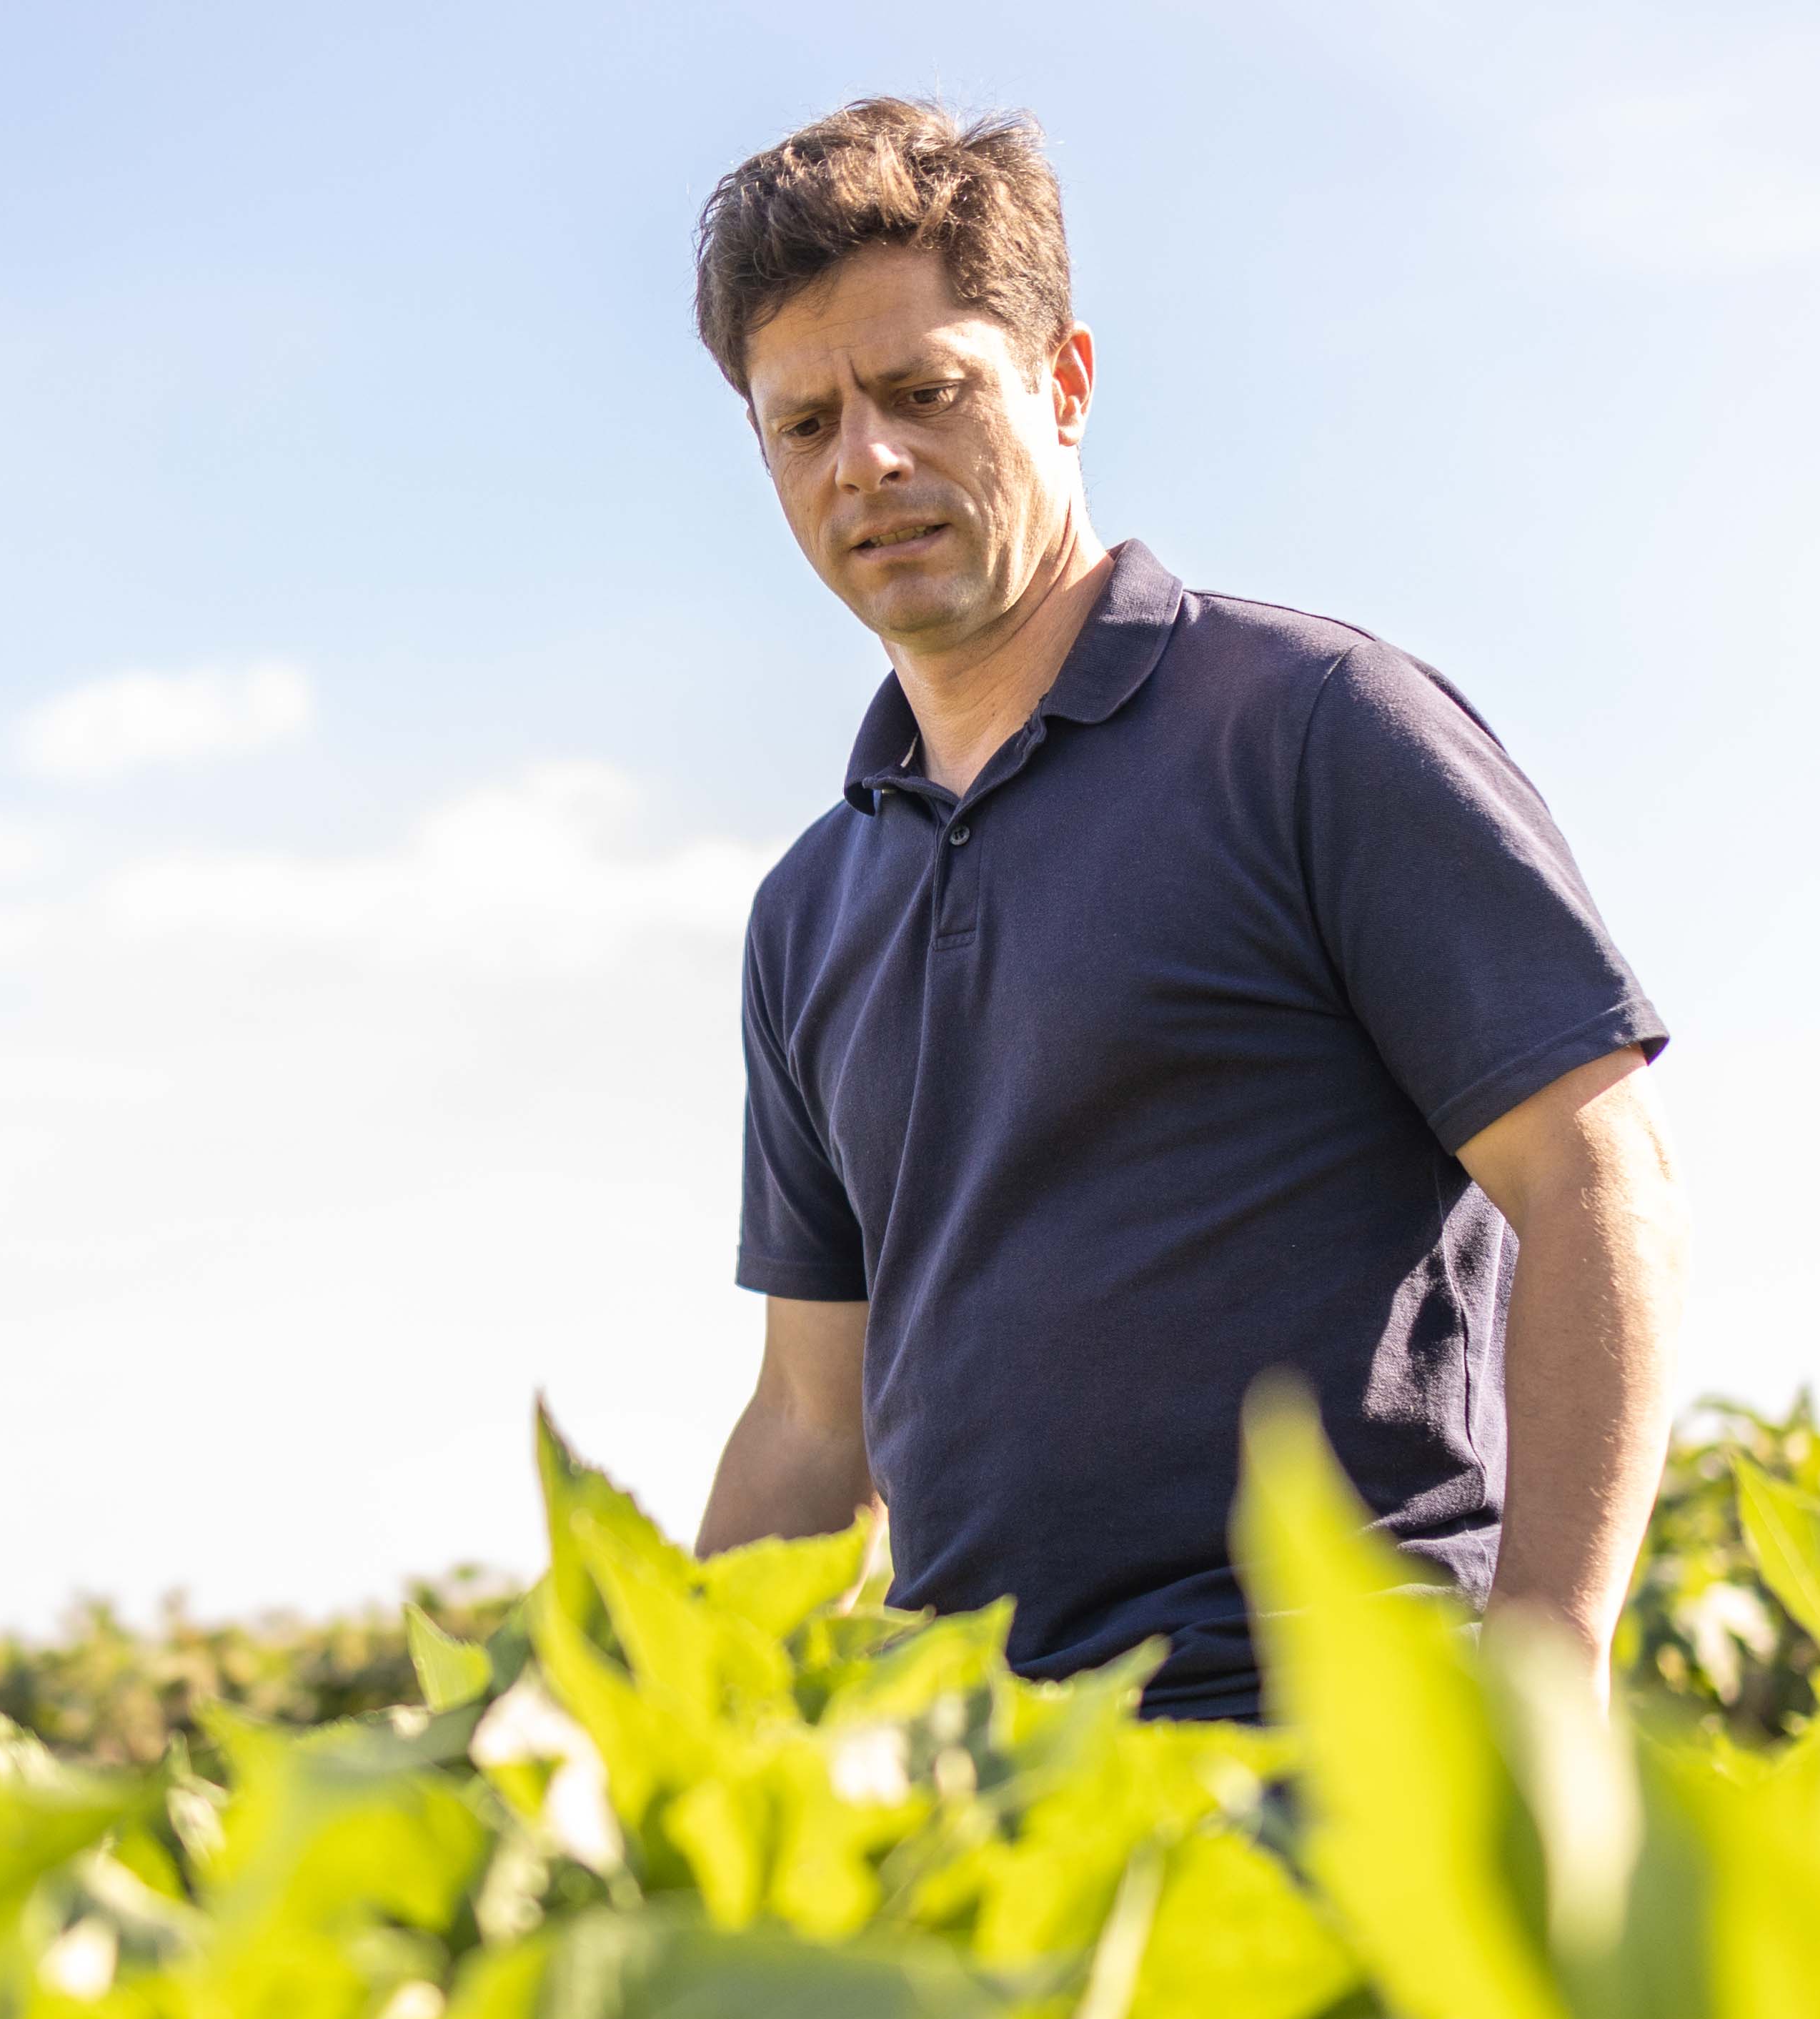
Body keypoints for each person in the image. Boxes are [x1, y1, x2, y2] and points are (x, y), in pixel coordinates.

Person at [689, 99, 1687, 1719]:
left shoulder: (1313, 726)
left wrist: (1545, 1684)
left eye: (923, 391)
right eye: (803, 425)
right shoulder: (809, 909)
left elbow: (1600, 1187)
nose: (865, 458)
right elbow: (813, 1424)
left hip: (1333, 1739)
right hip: (998, 1793)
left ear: (1063, 383)